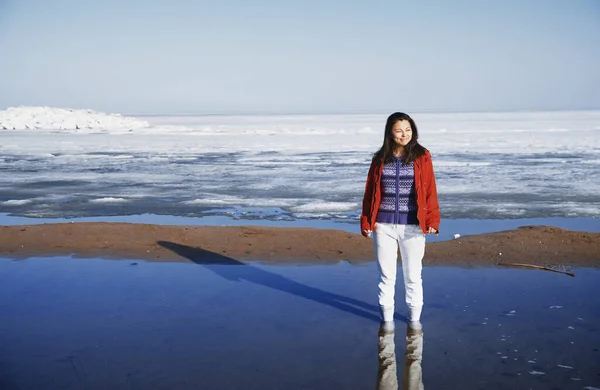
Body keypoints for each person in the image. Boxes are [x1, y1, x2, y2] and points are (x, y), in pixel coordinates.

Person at [361, 112, 440, 334]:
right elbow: (370, 193)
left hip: (413, 225)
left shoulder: (422, 156)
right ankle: (387, 325)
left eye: (408, 130)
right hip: (383, 226)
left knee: (413, 274)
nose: (404, 134)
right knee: (386, 275)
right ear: (390, 132)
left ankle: (414, 324)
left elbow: (430, 191)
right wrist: (367, 220)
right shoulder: (379, 159)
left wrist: (432, 219)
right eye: (399, 130)